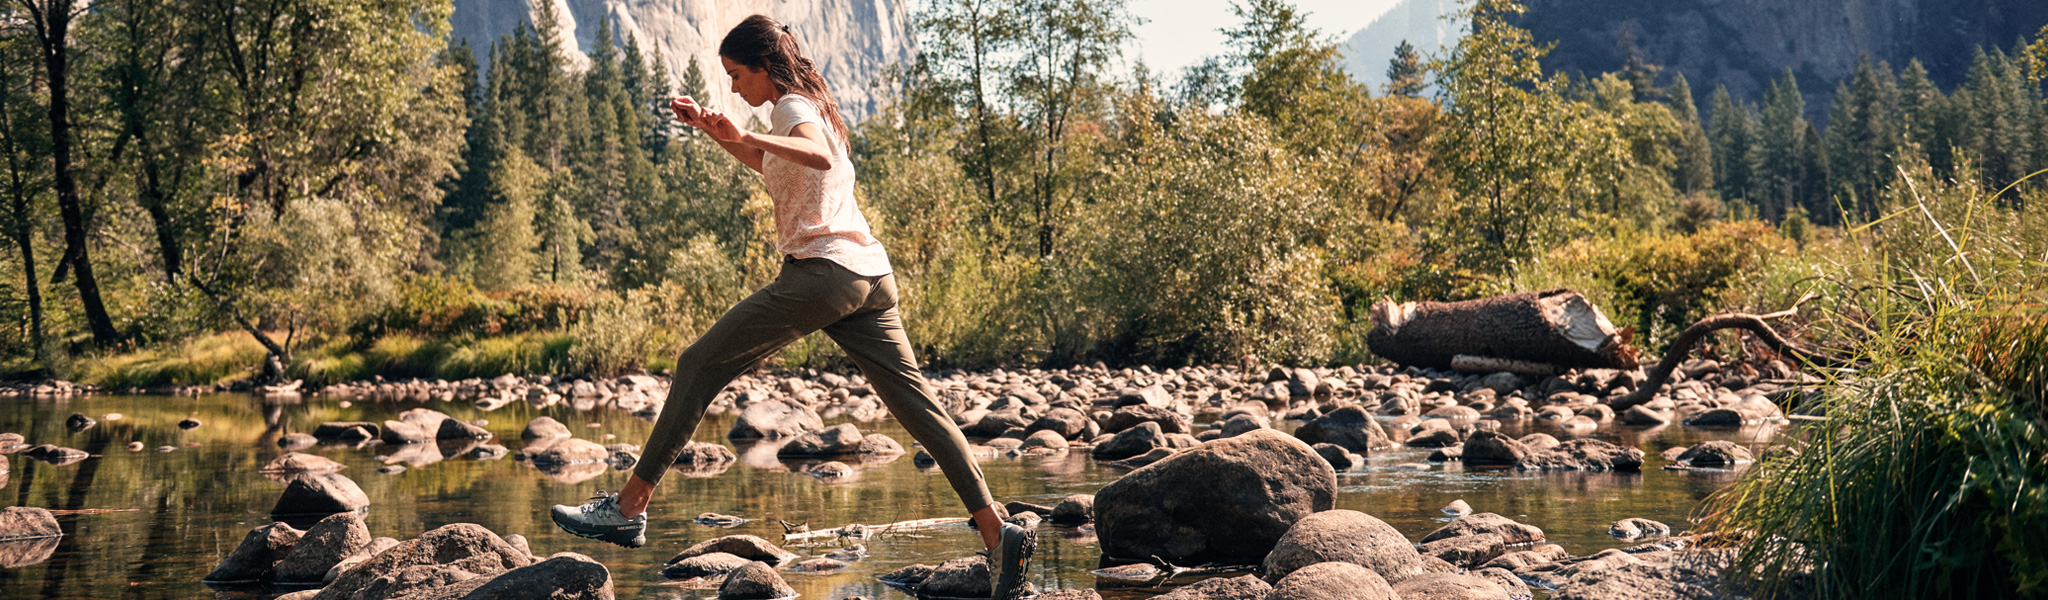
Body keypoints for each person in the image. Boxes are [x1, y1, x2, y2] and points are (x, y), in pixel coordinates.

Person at [547, 14, 1036, 600]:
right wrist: (718, 132)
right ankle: (997, 533)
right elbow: (780, 169)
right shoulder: (812, 107)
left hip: (825, 275)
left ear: (763, 68)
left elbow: (814, 156)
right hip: (871, 276)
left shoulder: (793, 109)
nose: (733, 88)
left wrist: (749, 132)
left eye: (735, 75)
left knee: (699, 364)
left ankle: (629, 507)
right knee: (920, 409)